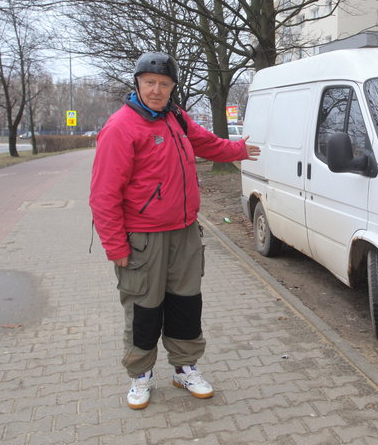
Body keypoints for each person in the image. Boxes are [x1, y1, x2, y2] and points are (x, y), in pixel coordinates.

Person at [89, 52, 260, 410]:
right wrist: (114, 245)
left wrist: (239, 150)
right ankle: (140, 375)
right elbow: (103, 194)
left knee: (186, 303)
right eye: (149, 82)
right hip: (143, 237)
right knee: (144, 307)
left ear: (171, 88)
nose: (156, 89)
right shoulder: (121, 127)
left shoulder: (176, 118)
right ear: (137, 83)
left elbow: (207, 143)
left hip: (184, 232)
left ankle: (185, 367)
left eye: (164, 84)